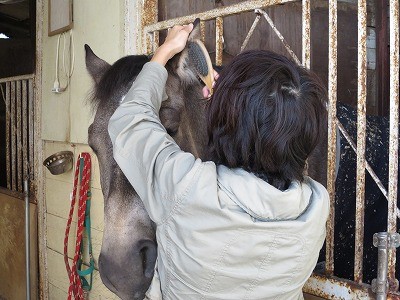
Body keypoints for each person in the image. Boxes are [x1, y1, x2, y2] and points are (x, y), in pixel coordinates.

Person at [108, 23, 329, 300]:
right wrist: (229, 111)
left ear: (226, 124)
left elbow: (130, 121)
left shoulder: (186, 189)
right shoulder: (316, 207)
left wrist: (163, 53)